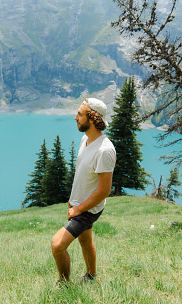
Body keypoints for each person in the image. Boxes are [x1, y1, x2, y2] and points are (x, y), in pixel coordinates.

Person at [51, 98, 116, 284]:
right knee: (85, 240)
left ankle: (64, 285)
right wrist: (73, 201)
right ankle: (91, 276)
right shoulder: (85, 139)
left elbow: (104, 191)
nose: (75, 117)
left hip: (89, 208)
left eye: (79, 114)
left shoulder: (105, 150)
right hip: (78, 203)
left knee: (57, 245)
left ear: (93, 118)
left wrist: (79, 209)